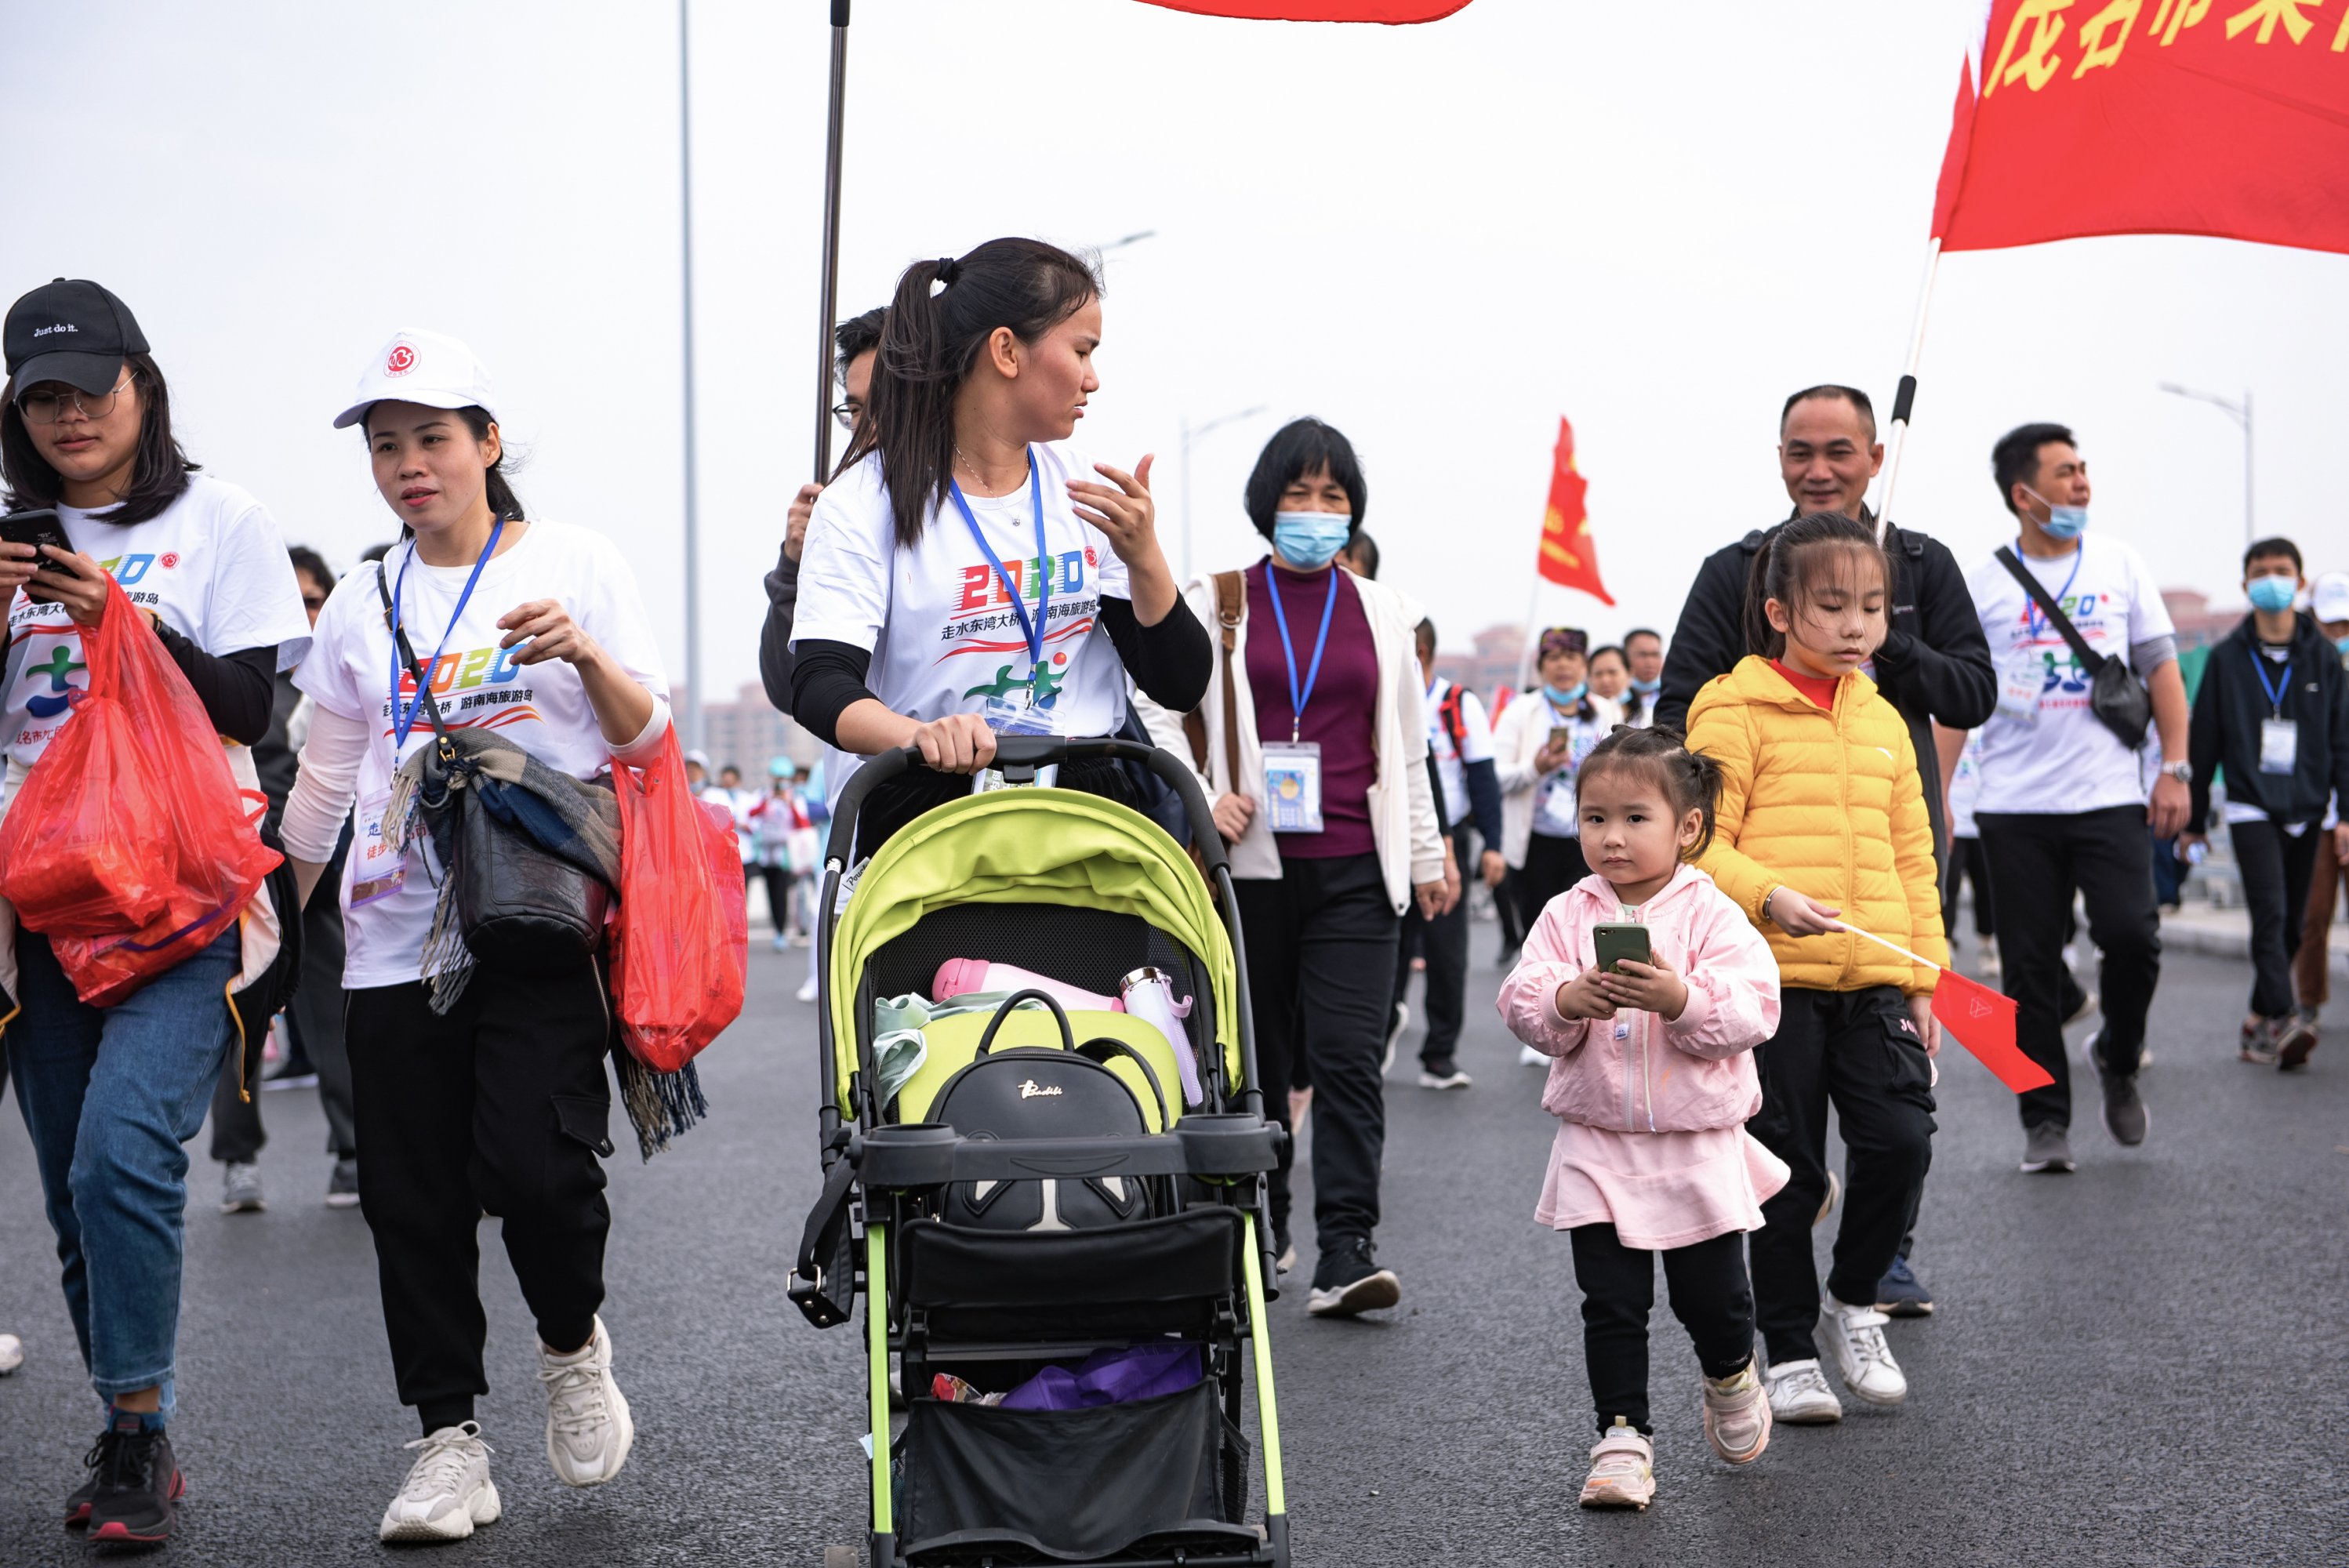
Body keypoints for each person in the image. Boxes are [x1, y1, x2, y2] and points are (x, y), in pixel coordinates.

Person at [280, 328, 670, 1542]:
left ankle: (570, 1342)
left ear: (488, 443)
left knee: (538, 1172)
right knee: (411, 1201)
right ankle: (448, 1444)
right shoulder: (362, 601)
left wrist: (585, 654)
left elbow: (646, 738)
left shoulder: (573, 560)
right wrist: (264, 931)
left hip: (533, 924)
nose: (409, 464)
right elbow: (325, 780)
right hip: (393, 939)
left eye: (433, 438)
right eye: (386, 446)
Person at [2, 278, 313, 1545]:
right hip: (36, 900)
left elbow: (250, 708)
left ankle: (136, 1437)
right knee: (74, 1195)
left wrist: (124, 621)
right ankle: (132, 1419)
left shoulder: (220, 518)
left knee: (120, 1152)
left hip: (181, 890)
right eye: (42, 397)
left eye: (92, 387)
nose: (70, 415)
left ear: (144, 385)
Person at [1658, 383, 1991, 1321]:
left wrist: (1885, 642)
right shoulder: (1735, 570)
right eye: (1798, 451)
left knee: (1895, 1118)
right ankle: (1789, 1324)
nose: (1817, 468)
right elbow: (1677, 703)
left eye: (1837, 450)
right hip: (1764, 887)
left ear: (1875, 458)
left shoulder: (1919, 564)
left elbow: (1973, 691)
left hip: (1887, 839)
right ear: (1777, 458)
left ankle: (1883, 1261)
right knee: (1785, 1132)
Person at [1136, 416, 1444, 1316]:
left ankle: (1345, 1248)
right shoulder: (1215, 597)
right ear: (1265, 504)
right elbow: (1156, 706)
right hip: (1250, 868)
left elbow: (1408, 746)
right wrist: (1203, 794)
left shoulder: (1382, 609)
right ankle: (1263, 1227)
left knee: (1347, 1060)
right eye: (1298, 493)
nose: (1314, 510)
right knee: (1258, 1060)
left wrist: (1425, 852)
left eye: (1331, 495)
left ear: (1353, 510)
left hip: (1357, 864)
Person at [790, 241, 1207, 857]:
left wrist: (1145, 557)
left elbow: (1180, 684)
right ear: (1007, 351)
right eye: (1082, 351)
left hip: (1086, 813)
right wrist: (920, 737)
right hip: (931, 815)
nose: (1092, 378)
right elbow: (819, 684)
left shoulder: (1085, 490)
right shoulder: (861, 503)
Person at [1686, 513, 1944, 1426]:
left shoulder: (1881, 716)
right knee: (1786, 1174)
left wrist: (1926, 977)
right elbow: (1698, 842)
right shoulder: (1730, 707)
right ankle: (1790, 1349)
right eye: (1832, 605)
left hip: (1875, 974)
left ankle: (1852, 1301)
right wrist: (1769, 896)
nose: (1854, 625)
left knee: (1901, 1140)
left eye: (1871, 607)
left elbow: (1913, 855)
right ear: (1778, 611)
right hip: (1769, 980)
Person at [1499, 726, 1784, 1508]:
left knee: (1713, 1300)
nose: (1611, 837)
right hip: (1596, 1142)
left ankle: (1730, 1373)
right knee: (1611, 1302)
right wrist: (1564, 1000)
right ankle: (1622, 1437)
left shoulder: (1713, 912)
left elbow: (1755, 1007)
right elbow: (1522, 996)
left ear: (1686, 827)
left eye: (1633, 818)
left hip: (1695, 1146)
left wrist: (1680, 998)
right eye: (1595, 818)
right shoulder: (1566, 911)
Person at [1965, 421, 2188, 1174]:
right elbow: (1959, 703)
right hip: (2013, 806)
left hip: (2109, 796)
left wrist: (2176, 768)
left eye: (2084, 468)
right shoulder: (1984, 582)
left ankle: (2117, 1056)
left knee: (2132, 937)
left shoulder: (2120, 564)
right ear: (2023, 494)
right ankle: (2044, 1120)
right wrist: (1934, 802)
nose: (2082, 482)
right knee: (2028, 972)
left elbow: (2161, 670)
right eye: (2065, 471)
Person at [208, 544, 361, 1213]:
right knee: (237, 1016)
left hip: (318, 873)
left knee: (335, 1016)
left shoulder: (339, 678)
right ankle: (238, 1162)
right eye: (292, 602)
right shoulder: (240, 679)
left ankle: (352, 1155)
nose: (305, 614)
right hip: (240, 872)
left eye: (315, 601)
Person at [2180, 539, 2349, 1069]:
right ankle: (2283, 1016)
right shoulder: (2227, 659)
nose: (2271, 580)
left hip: (2309, 806)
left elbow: (2343, 740)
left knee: (2294, 924)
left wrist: (2345, 812)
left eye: (2281, 571)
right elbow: (2204, 741)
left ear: (2300, 582)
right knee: (2270, 911)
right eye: (2261, 572)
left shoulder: (2323, 657)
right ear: (2245, 584)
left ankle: (2256, 1022)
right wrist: (2195, 821)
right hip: (2250, 804)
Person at [1396, 617, 1505, 1089]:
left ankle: (1439, 1055)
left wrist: (1493, 846)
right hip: (1385, 840)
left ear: (1418, 652)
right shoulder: (1381, 698)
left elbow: (1483, 779)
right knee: (1389, 945)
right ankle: (1378, 1032)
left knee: (1445, 952)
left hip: (1446, 843)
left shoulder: (1457, 704)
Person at [761, 305, 885, 716]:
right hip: (877, 759)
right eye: (856, 410)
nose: (868, 427)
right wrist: (792, 566)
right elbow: (788, 689)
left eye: (887, 404)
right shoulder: (843, 511)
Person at [1495, 629, 1622, 932]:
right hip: (1536, 842)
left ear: (1584, 664)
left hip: (1591, 838)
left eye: (1571, 656)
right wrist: (1535, 769)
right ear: (1541, 666)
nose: (1562, 665)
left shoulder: (1605, 711)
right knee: (1539, 927)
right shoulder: (1520, 711)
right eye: (1553, 657)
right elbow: (1496, 777)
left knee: (1588, 927)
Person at [2293, 571, 2349, 1043]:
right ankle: (2308, 1002)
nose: (2339, 634)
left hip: (2344, 814)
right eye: (2332, 625)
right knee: (2313, 915)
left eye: (2346, 625)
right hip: (2319, 814)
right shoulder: (2304, 669)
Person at [1941, 729, 1995, 978]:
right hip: (1954, 818)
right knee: (1948, 884)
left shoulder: (1988, 721)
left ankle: (1987, 943)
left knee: (1986, 887)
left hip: (1982, 818)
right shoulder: (1940, 721)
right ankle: (1946, 944)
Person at [752, 760, 814, 952]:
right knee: (771, 893)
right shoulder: (763, 795)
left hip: (786, 856)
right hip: (765, 854)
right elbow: (751, 815)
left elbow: (804, 823)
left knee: (783, 893)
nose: (780, 782)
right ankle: (777, 930)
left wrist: (790, 803)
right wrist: (767, 801)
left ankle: (782, 931)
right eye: (777, 778)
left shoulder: (796, 798)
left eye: (783, 778)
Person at [1622, 628, 1665, 728]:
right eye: (1642, 655)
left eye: (1655, 655)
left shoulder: (1671, 696)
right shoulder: (1617, 698)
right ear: (1625, 657)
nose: (1650, 662)